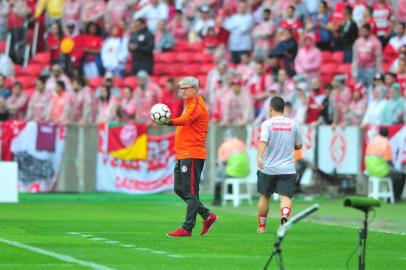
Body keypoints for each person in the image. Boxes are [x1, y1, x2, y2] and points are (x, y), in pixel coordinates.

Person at [160, 76, 218, 237]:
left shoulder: (197, 105)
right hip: (184, 154)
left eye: (186, 88)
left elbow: (185, 120)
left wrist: (168, 122)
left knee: (190, 192)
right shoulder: (190, 104)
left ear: (195, 89)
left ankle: (187, 228)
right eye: (181, 88)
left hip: (192, 153)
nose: (182, 91)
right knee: (180, 189)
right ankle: (207, 215)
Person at [256, 96, 302, 233]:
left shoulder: (267, 124)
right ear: (283, 109)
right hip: (287, 168)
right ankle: (284, 217)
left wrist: (259, 157)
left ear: (270, 109)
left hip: (268, 168)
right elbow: (299, 145)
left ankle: (262, 227)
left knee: (264, 196)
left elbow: (263, 141)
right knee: (285, 197)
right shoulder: (293, 124)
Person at [365, 127, 406, 202]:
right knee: (401, 175)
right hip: (380, 170)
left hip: (369, 170)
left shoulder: (372, 141)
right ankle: (395, 197)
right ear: (387, 134)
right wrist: (395, 169)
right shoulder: (386, 143)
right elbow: (389, 161)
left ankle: (390, 196)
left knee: (395, 174)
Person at [213, 129, 249, 206]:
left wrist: (217, 163)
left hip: (232, 171)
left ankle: (217, 199)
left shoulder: (225, 145)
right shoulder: (241, 143)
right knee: (227, 172)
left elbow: (221, 161)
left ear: (226, 137)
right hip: (244, 171)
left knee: (218, 176)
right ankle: (230, 193)